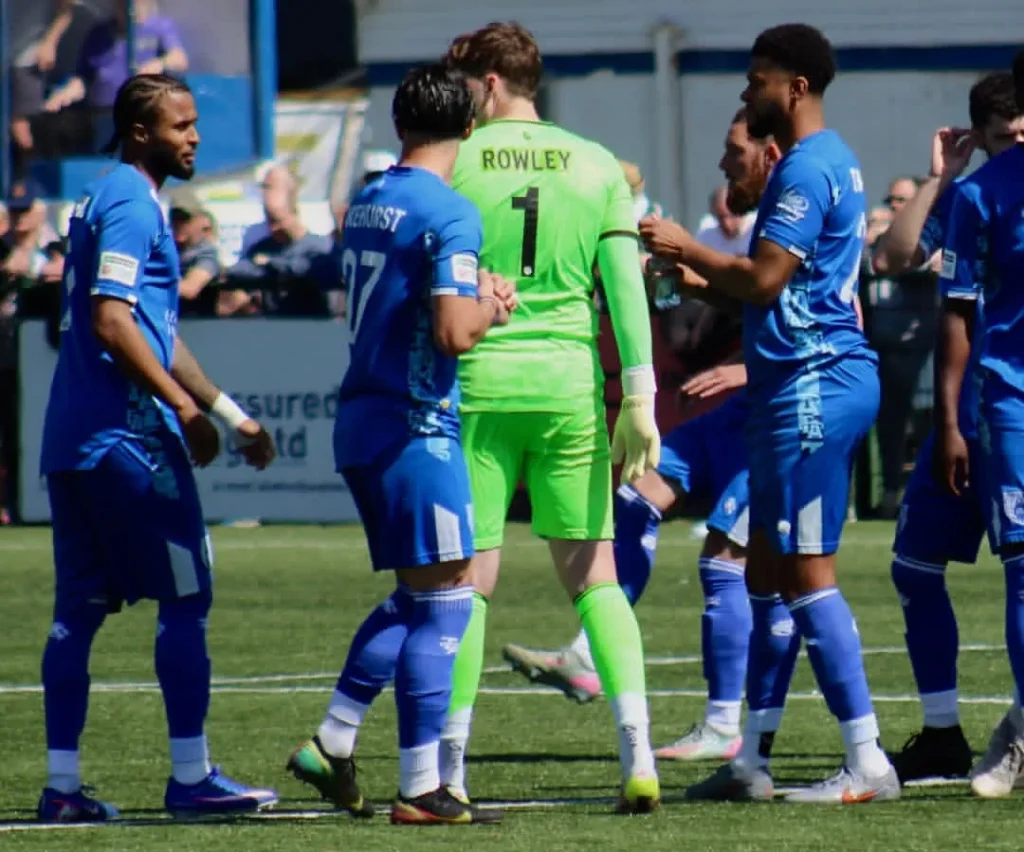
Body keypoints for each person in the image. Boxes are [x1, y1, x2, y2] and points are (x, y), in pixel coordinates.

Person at [642, 23, 897, 803]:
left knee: (806, 571)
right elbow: (771, 285)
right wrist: (696, 281)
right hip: (793, 382)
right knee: (764, 569)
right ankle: (751, 759)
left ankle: (868, 763)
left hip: (815, 385)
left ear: (795, 88)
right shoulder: (835, 161)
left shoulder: (805, 167)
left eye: (757, 80)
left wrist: (687, 247)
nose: (746, 93)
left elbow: (766, 279)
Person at [502, 109, 783, 766]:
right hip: (733, 416)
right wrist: (697, 283)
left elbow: (836, 320)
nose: (721, 164)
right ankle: (585, 656)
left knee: (731, 566)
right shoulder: (769, 217)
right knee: (630, 498)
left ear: (768, 154)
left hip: (774, 413)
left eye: (731, 149)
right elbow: (760, 301)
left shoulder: (805, 208)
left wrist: (743, 361)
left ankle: (728, 725)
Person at [37, 73, 278, 823]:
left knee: (77, 609)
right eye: (181, 125)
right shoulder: (134, 204)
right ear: (142, 132)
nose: (194, 136)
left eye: (195, 123)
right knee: (186, 598)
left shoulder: (104, 199)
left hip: (72, 439)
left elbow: (154, 331)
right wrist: (183, 410)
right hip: (128, 441)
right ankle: (190, 776)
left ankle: (63, 787)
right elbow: (115, 322)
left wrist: (229, 412)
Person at [439, 21, 662, 813]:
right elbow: (626, 288)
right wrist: (640, 395)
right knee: (596, 577)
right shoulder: (597, 163)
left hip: (478, 385)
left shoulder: (454, 160)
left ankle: (450, 766)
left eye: (463, 83)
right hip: (568, 386)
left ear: (492, 83)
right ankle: (639, 752)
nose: (456, 97)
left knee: (467, 585)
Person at [285, 63, 515, 826]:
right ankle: (421, 787)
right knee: (450, 601)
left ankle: (334, 740)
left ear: (398, 123)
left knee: (418, 596)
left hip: (363, 420)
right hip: (417, 426)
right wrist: (490, 305)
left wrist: (466, 302)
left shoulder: (368, 201)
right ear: (472, 129)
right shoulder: (450, 211)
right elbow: (454, 332)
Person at [870, 71, 1024, 784]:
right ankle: (941, 733)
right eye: (1003, 139)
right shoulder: (970, 196)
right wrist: (941, 178)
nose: (1015, 145)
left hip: (1002, 411)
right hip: (968, 415)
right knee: (912, 567)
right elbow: (892, 257)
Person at [935, 49, 1024, 799]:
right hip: (1011, 398)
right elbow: (957, 312)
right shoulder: (979, 195)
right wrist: (951, 422)